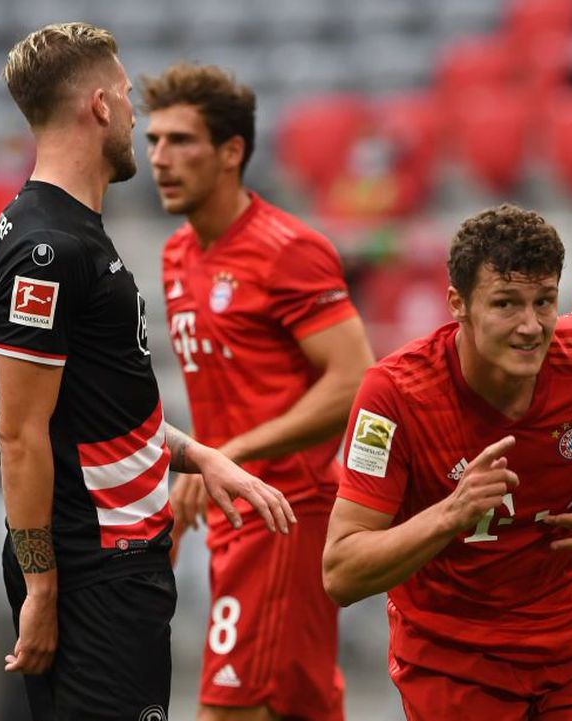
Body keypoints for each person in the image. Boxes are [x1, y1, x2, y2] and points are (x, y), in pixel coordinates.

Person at [0, 23, 294, 721]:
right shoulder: (48, 248)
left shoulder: (65, 229)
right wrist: (42, 585)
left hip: (115, 564)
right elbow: (20, 431)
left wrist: (201, 456)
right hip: (93, 570)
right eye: (126, 96)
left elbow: (97, 412)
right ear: (97, 106)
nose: (134, 113)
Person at [322, 204, 572, 720]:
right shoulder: (393, 395)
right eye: (506, 304)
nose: (530, 327)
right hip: (455, 659)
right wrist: (452, 513)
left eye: (544, 302)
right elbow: (341, 572)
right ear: (458, 303)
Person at [141, 61, 375, 721]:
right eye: (154, 140)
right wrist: (209, 467)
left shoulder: (287, 249)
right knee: (304, 706)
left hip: (283, 511)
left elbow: (354, 378)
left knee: (227, 707)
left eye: (181, 141)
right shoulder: (177, 253)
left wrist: (227, 454)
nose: (160, 157)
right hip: (235, 510)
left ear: (231, 151)